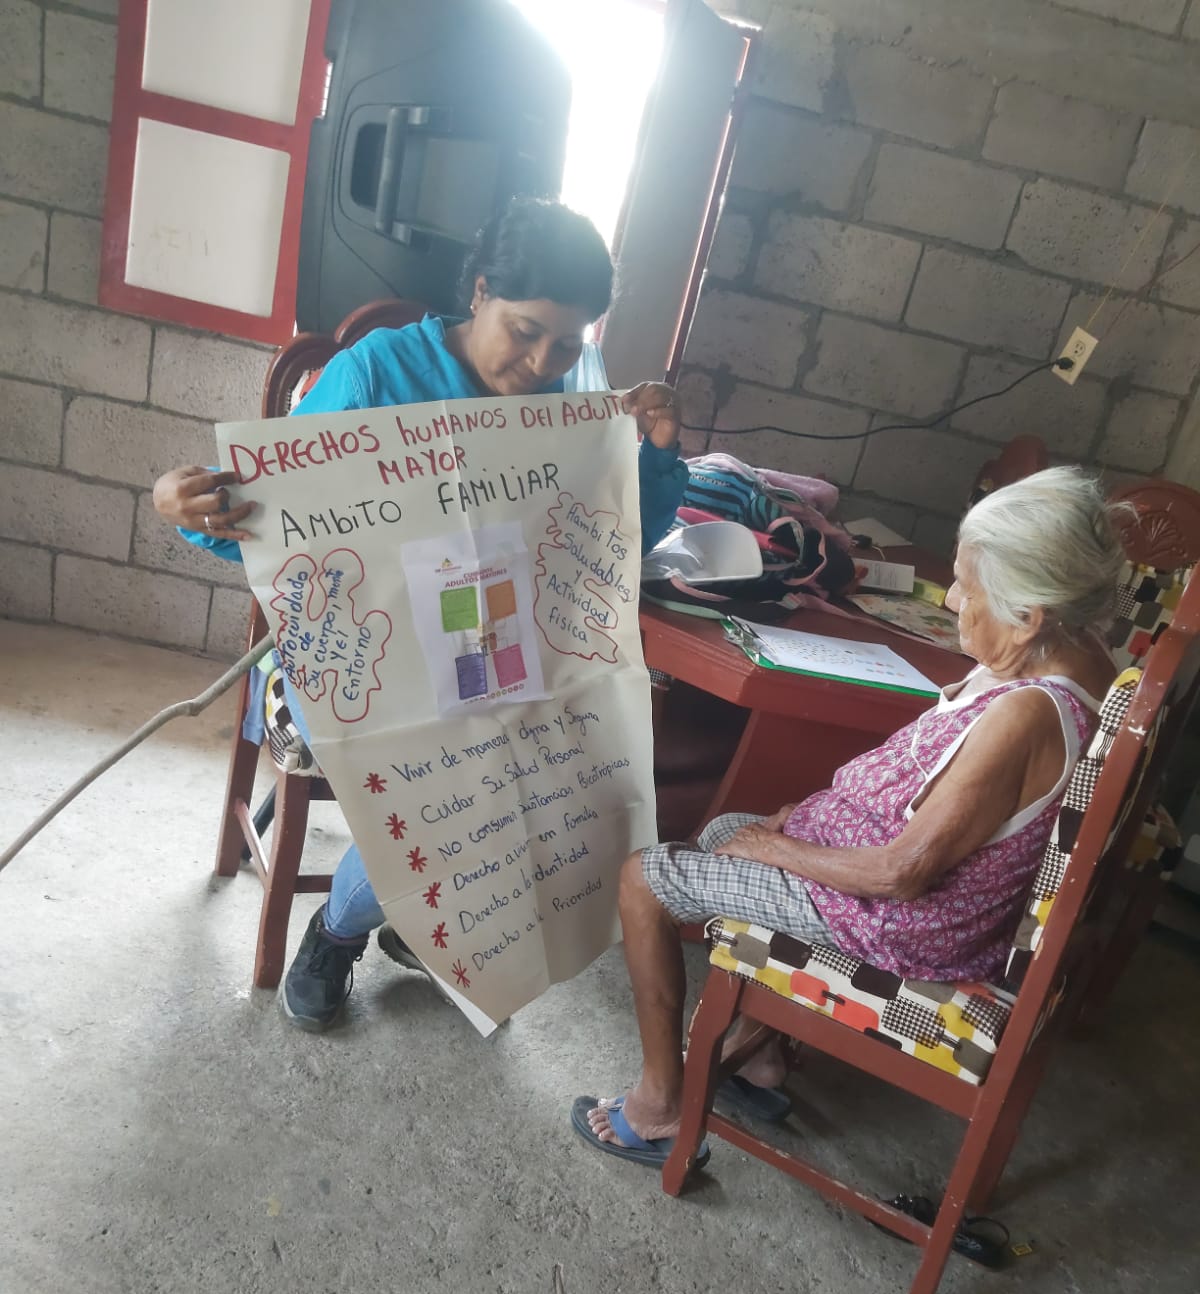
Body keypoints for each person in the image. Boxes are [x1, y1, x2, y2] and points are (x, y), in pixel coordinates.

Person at [153, 198, 687, 1030]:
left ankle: (411, 914)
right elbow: (280, 533)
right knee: (469, 779)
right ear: (480, 293)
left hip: (491, 646)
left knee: (565, 767)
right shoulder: (378, 375)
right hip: (360, 650)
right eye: (525, 331)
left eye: (567, 344)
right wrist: (185, 506)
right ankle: (339, 932)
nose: (541, 362)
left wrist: (654, 456)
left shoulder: (573, 397)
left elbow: (616, 540)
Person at [573, 467, 1126, 1166]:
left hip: (900, 919)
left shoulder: (1027, 716)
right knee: (719, 834)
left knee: (647, 878)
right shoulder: (1084, 657)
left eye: (968, 587)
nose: (952, 599)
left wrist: (777, 848)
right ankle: (757, 1058)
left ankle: (658, 1105)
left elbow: (900, 873)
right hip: (909, 893)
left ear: (1032, 614)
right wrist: (795, 827)